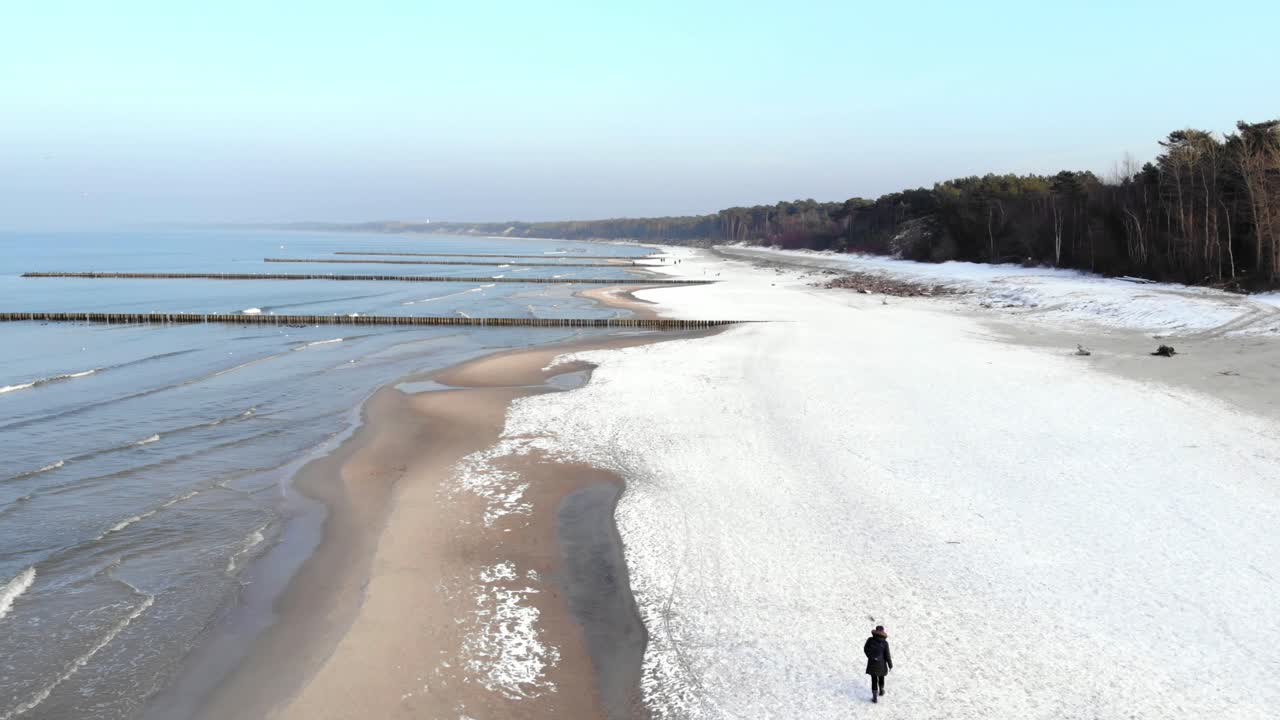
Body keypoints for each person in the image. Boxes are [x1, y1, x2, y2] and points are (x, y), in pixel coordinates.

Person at [864, 625, 892, 703]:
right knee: (881, 676)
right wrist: (890, 664)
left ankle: (874, 696)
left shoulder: (870, 640)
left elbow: (865, 649)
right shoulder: (885, 643)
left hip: (872, 663)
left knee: (874, 679)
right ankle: (881, 690)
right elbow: (887, 655)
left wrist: (869, 656)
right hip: (882, 663)